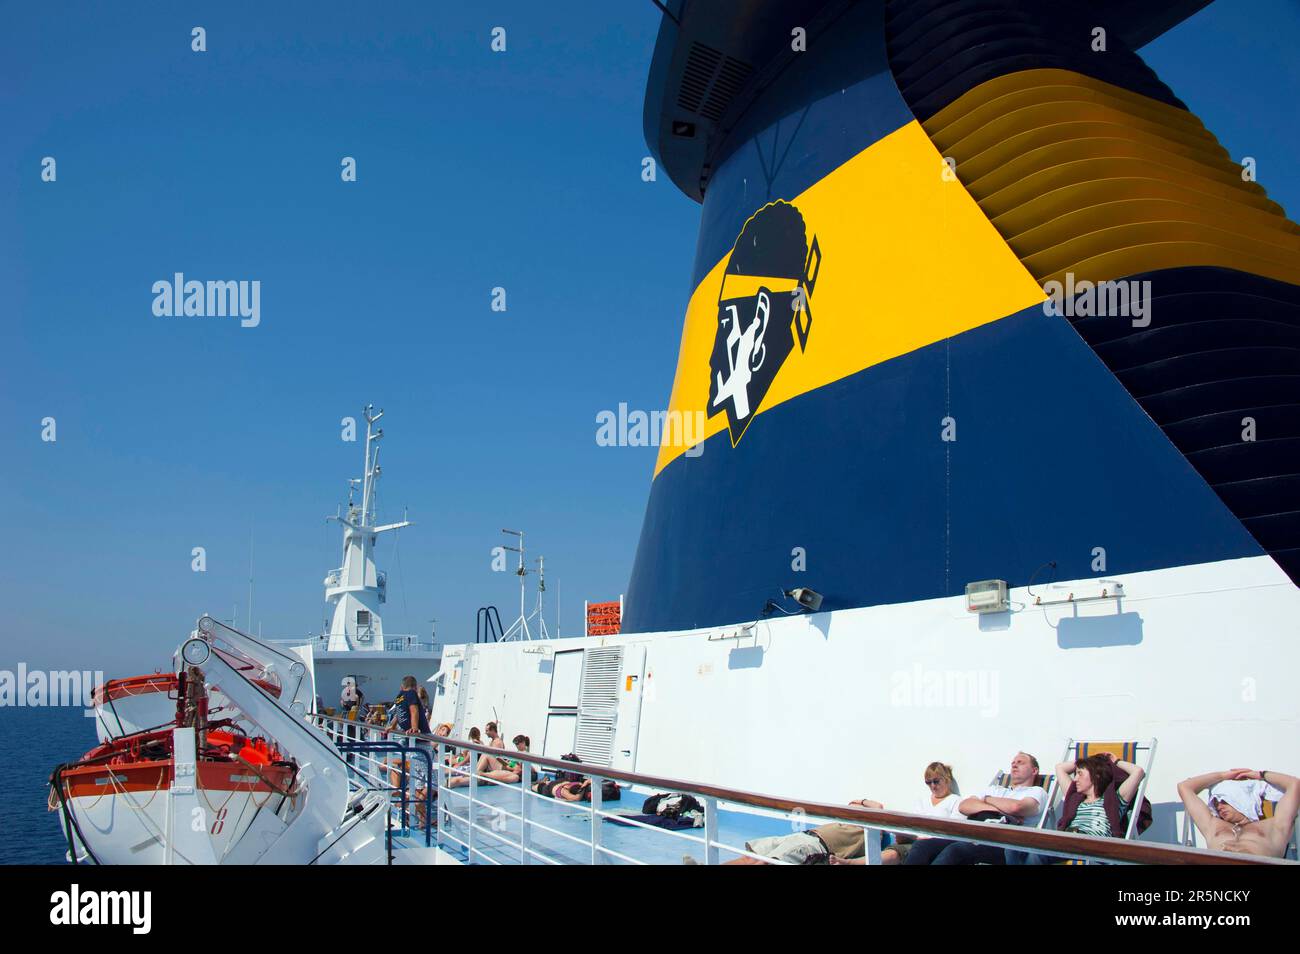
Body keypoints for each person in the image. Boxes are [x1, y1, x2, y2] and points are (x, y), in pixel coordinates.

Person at [905, 751, 1047, 865]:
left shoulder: (1036, 791)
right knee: (922, 846)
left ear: (1034, 770)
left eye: (1020, 763)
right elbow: (965, 806)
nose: (1014, 766)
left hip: (1005, 845)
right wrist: (996, 808)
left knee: (956, 851)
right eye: (1013, 763)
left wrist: (985, 802)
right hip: (975, 836)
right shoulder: (995, 790)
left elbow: (1017, 807)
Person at [1006, 751, 1146, 864]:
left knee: (1038, 853)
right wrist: (1086, 761)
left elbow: (1138, 772)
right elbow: (1060, 768)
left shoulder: (1114, 800)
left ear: (1096, 775)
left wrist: (1114, 761)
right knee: (1011, 847)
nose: (1075, 779)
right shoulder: (1074, 799)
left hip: (1094, 847)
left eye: (1080, 774)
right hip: (1068, 841)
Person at [835, 761, 964, 864]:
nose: (932, 786)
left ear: (946, 779)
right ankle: (849, 862)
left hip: (933, 845)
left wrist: (924, 837)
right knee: (893, 850)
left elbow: (954, 832)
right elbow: (914, 824)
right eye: (928, 782)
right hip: (915, 841)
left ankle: (849, 862)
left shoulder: (955, 801)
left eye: (936, 781)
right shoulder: (922, 801)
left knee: (896, 854)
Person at [1179, 768, 1299, 857]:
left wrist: (1261, 774)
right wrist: (1223, 775)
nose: (1219, 806)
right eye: (1215, 803)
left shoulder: (1274, 826)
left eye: (1224, 801)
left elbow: (1294, 784)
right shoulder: (1212, 825)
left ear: (1241, 799)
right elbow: (1185, 787)